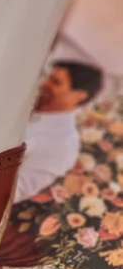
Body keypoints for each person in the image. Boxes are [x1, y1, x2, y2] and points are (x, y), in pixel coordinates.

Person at [14, 61, 104, 203]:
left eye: (56, 82)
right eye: (49, 78)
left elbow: (16, 190)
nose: (45, 84)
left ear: (79, 95)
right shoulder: (25, 104)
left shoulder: (63, 142)